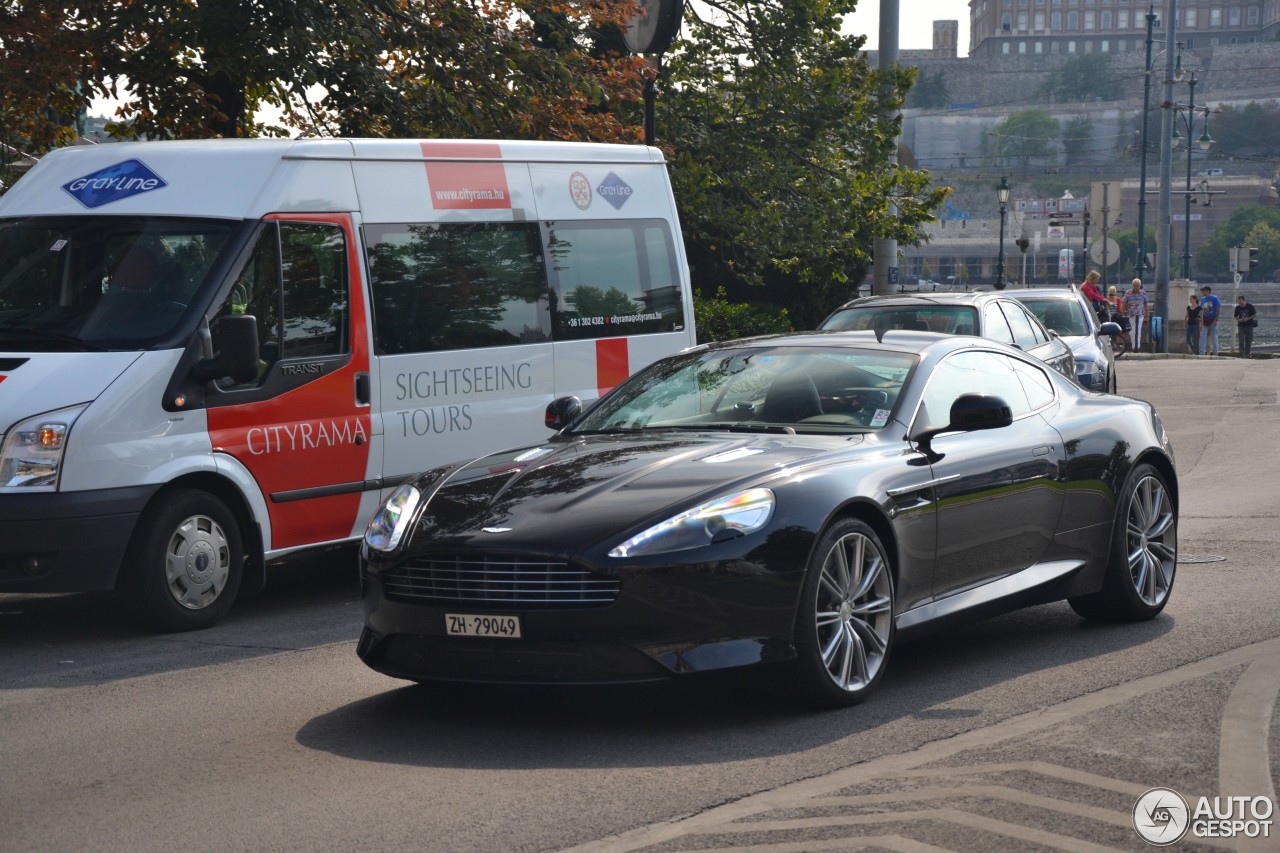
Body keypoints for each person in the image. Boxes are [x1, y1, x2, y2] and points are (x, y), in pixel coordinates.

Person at [1122, 278, 1149, 350]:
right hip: (1131, 314)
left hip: (1140, 315)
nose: (1135, 287)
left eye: (1137, 286)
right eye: (1134, 286)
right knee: (1132, 331)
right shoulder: (1128, 293)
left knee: (1138, 330)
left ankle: (1136, 347)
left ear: (1139, 286)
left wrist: (1147, 315)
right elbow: (1124, 303)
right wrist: (1122, 313)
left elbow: (1146, 304)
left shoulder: (1143, 294)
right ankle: (1134, 346)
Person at [1199, 285, 1222, 356]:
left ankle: (1215, 352)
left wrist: (1216, 320)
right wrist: (1201, 321)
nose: (1203, 292)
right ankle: (1202, 352)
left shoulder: (1214, 298)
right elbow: (1201, 311)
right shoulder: (1202, 299)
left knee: (1214, 337)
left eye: (1204, 290)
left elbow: (1218, 309)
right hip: (1205, 320)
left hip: (1212, 320)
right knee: (1203, 336)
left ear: (1208, 291)